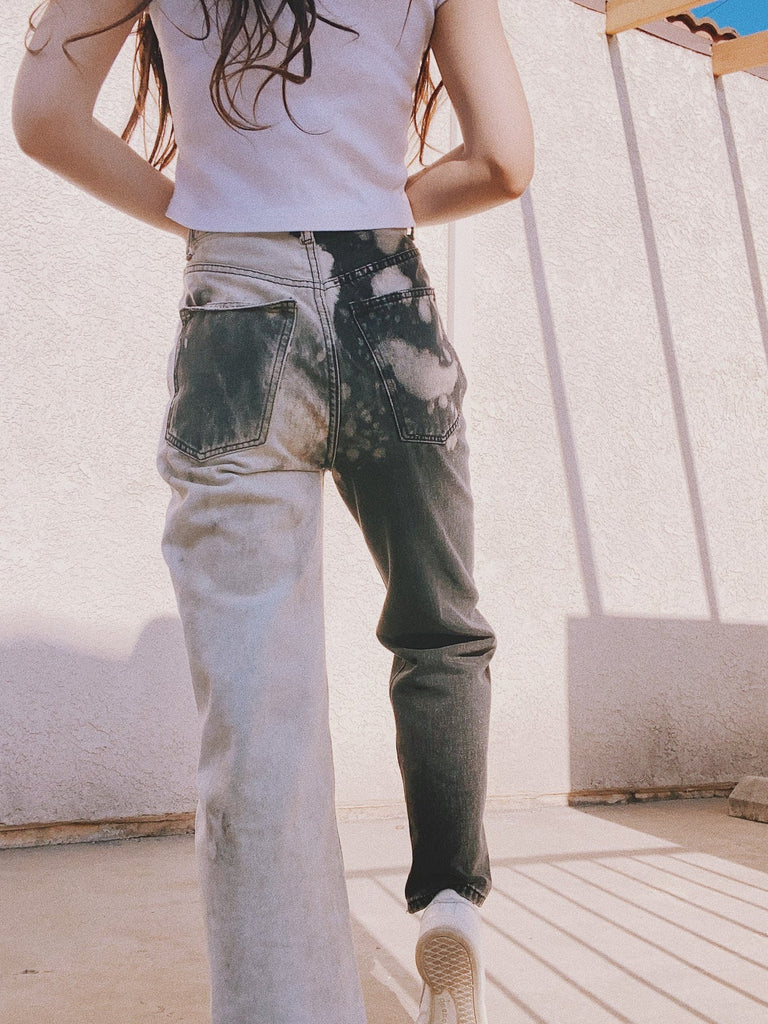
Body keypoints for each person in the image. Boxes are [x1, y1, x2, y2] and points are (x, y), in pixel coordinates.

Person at [12, 1, 534, 1021]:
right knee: (439, 624)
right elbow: (503, 160)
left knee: (258, 721)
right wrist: (369, 208)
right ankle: (447, 900)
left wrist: (204, 216)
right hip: (388, 297)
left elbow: (45, 116)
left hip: (236, 307)